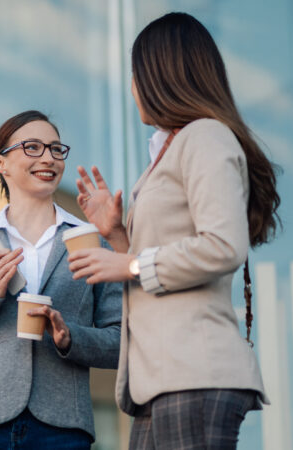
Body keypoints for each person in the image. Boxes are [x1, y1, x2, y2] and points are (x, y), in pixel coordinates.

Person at [68, 12, 281, 450]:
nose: (131, 88)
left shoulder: (205, 137)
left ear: (161, 75)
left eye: (136, 74)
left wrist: (125, 261)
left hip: (192, 373)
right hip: (160, 380)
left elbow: (223, 245)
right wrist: (116, 233)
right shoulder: (171, 150)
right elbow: (157, 263)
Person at [0, 110, 123, 449]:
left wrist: (69, 338)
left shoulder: (91, 240)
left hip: (61, 428)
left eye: (55, 149)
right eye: (32, 147)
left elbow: (121, 342)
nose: (48, 157)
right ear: (0, 164)